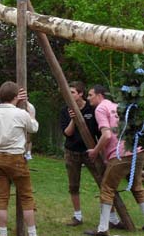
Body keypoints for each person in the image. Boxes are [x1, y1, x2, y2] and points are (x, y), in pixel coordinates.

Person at [84, 85, 144, 236]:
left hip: (120, 154)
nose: (88, 98)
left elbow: (107, 135)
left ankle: (103, 229)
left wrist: (95, 151)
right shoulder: (118, 106)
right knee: (137, 188)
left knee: (107, 189)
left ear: (99, 95)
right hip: (137, 151)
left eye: (90, 95)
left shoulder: (100, 109)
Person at [0, 81, 39, 236]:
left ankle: (3, 233)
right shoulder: (21, 114)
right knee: (26, 196)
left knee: (2, 197)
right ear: (16, 97)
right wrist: (30, 113)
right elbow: (34, 128)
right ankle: (32, 233)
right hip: (16, 158)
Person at [59, 81, 105, 227]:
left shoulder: (92, 109)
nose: (69, 95)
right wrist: (74, 119)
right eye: (68, 92)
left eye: (72, 92)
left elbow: (100, 133)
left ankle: (110, 216)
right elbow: (67, 133)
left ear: (80, 94)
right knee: (73, 185)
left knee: (103, 183)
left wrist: (100, 152)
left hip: (90, 152)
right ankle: (77, 216)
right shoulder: (65, 110)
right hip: (72, 152)